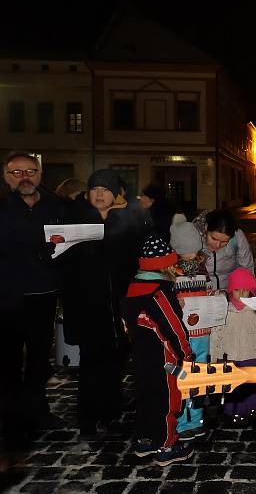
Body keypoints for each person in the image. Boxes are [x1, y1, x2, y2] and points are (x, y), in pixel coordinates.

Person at [61, 168, 146, 438]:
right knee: (91, 364)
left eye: (106, 189)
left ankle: (110, 414)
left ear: (115, 194)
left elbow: (134, 260)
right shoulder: (74, 218)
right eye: (95, 188)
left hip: (119, 306)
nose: (100, 193)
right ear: (88, 192)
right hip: (88, 306)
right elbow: (63, 263)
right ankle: (88, 419)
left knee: (115, 362)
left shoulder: (124, 220)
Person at [0, 151, 70, 445]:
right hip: (7, 295)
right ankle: (11, 419)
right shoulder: (2, 206)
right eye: (18, 172)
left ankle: (38, 410)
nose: (25, 177)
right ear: (7, 176)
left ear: (40, 174)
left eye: (31, 171)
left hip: (43, 293)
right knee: (8, 360)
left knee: (40, 358)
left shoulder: (57, 205)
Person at [121, 234, 194, 466]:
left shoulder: (133, 288)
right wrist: (186, 356)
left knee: (145, 396)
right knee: (167, 399)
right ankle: (167, 445)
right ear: (164, 267)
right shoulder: (159, 292)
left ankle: (145, 440)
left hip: (141, 356)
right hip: (165, 359)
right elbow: (174, 328)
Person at [210, 267, 256, 426]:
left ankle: (249, 409)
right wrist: (214, 356)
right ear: (231, 290)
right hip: (228, 355)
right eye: (237, 290)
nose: (241, 294)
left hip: (250, 355)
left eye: (245, 291)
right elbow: (216, 333)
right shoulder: (224, 310)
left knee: (249, 386)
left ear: (251, 291)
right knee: (230, 386)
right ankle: (230, 411)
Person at [170, 214, 213, 441]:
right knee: (181, 376)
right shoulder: (171, 272)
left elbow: (208, 289)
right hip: (182, 334)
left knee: (199, 376)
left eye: (194, 250)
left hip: (202, 332)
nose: (191, 255)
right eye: (186, 250)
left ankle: (195, 419)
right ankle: (179, 420)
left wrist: (215, 297)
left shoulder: (202, 267)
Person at [194, 209, 254, 291]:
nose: (217, 245)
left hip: (230, 292)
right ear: (206, 227)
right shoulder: (193, 237)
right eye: (214, 238)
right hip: (202, 292)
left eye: (224, 241)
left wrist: (246, 290)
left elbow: (246, 269)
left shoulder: (237, 237)